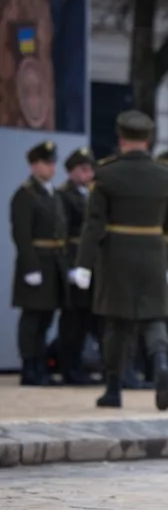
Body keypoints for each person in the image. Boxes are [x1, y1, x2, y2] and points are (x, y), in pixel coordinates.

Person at [70, 110, 168, 410]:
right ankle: (160, 363)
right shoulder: (165, 174)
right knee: (154, 318)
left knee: (116, 324)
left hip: (117, 255)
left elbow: (94, 223)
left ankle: (114, 389)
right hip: (154, 252)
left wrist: (84, 264)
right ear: (148, 139)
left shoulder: (106, 173)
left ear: (121, 139)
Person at [9, 140, 67, 386]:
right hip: (36, 264)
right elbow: (22, 235)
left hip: (53, 264)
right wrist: (31, 267)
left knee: (45, 319)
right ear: (34, 165)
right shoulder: (25, 194)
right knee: (32, 320)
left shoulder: (52, 193)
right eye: (46, 163)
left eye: (53, 163)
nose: (51, 168)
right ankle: (29, 367)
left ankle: (40, 366)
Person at [57, 146, 97, 385]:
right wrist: (68, 266)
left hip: (89, 261)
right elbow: (61, 232)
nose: (88, 174)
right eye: (83, 169)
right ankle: (68, 367)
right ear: (72, 171)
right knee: (71, 320)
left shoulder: (91, 194)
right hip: (73, 257)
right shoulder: (64, 195)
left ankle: (78, 365)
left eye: (90, 169)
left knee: (84, 319)